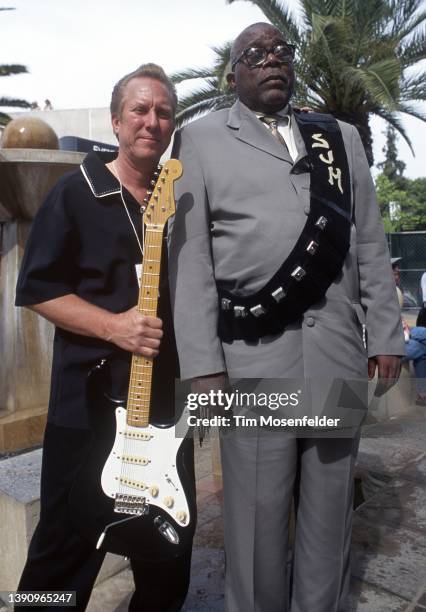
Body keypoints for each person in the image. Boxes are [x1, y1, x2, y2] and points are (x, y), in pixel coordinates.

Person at [168, 22, 404, 612]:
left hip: (335, 357)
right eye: (256, 54)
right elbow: (190, 259)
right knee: (254, 520)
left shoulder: (339, 138)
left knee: (329, 517)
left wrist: (387, 335)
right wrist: (203, 366)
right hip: (250, 361)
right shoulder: (197, 140)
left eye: (281, 51)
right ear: (234, 72)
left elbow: (369, 243)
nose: (272, 61)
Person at [15, 63, 194, 611]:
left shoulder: (180, 205)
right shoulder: (75, 192)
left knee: (168, 556)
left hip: (165, 410)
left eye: (163, 112)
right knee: (64, 553)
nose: (152, 121)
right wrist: (113, 326)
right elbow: (37, 288)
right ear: (117, 121)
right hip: (86, 406)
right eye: (140, 110)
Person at [403, 307, 426, 405]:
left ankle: (422, 395)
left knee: (422, 349)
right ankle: (422, 395)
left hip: (401, 337)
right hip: (388, 344)